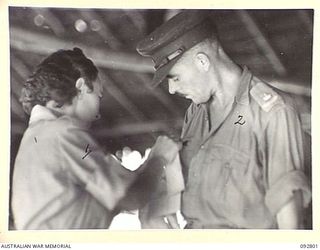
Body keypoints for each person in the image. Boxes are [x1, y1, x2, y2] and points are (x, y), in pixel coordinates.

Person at [136, 10, 311, 229]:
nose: (171, 89)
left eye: (175, 77)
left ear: (202, 62)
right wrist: (154, 203)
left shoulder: (271, 111)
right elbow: (179, 181)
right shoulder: (195, 113)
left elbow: (288, 211)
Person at [11, 47, 181, 230]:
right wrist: (158, 158)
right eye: (98, 96)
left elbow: (107, 198)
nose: (98, 113)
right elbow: (129, 197)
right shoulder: (63, 133)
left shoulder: (38, 138)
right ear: (81, 87)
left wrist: (149, 183)